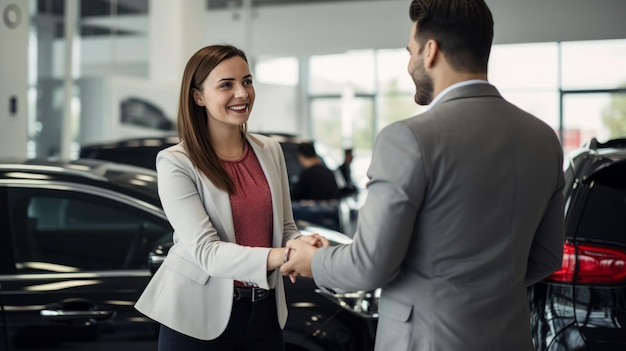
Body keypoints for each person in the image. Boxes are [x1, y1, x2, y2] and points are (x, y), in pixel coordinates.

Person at [280, 1, 566, 350]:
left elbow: (369, 267)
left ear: (431, 51)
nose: (409, 64)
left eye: (410, 51)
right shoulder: (542, 138)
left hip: (427, 341)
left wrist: (315, 261)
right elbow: (547, 256)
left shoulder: (409, 138)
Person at [134, 44, 325, 351]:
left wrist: (303, 245)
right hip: (197, 317)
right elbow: (207, 252)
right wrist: (285, 257)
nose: (242, 93)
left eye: (247, 81)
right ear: (198, 97)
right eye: (227, 85)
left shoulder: (269, 150)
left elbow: (285, 227)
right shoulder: (176, 162)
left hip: (264, 312)